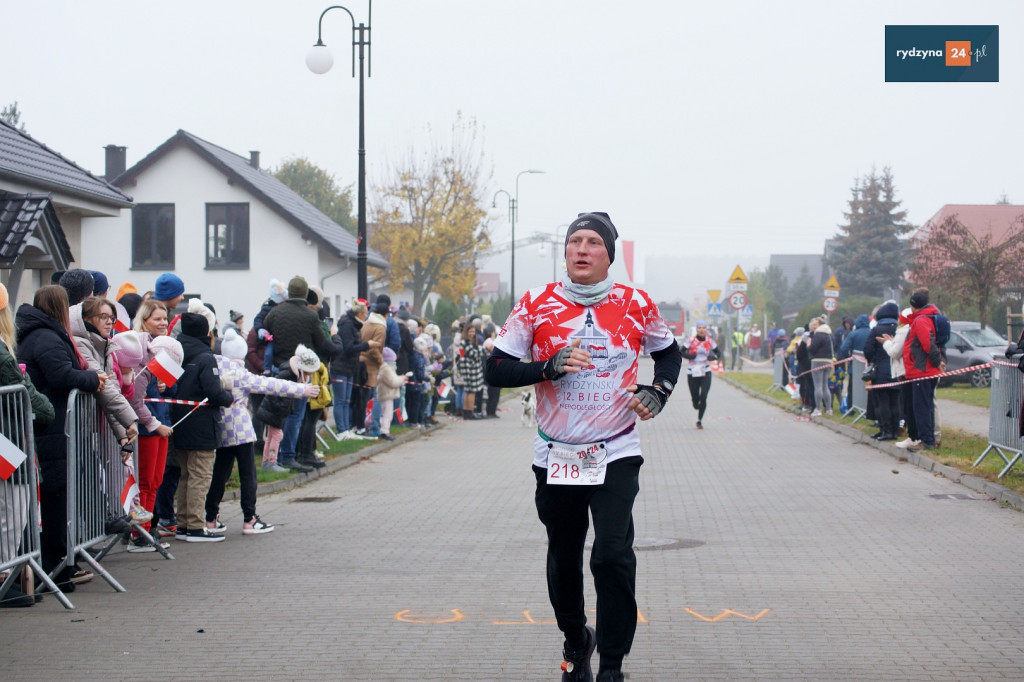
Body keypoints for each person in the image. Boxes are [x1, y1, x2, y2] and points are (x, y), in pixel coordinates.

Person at [484, 212, 681, 682]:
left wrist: (660, 391)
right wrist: (546, 367)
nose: (582, 249)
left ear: (608, 254)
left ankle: (612, 664)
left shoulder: (635, 303)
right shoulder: (536, 304)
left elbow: (669, 352)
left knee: (611, 554)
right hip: (557, 454)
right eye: (575, 241)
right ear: (566, 252)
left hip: (615, 449)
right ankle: (577, 641)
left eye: (593, 242)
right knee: (564, 557)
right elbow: (496, 369)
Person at [16, 285, 102, 590]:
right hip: (50, 430)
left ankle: (60, 564)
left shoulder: (41, 334)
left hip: (52, 429)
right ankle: (56, 568)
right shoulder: (46, 338)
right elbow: (62, 375)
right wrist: (93, 379)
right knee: (54, 499)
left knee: (56, 499)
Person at [205, 329, 318, 535]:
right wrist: (302, 390)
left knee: (220, 473)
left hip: (221, 428)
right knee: (248, 475)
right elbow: (271, 385)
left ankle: (210, 518)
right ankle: (250, 519)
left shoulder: (215, 368)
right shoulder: (241, 374)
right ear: (241, 354)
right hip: (240, 430)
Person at [0, 282, 54, 608]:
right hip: (8, 441)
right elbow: (36, 403)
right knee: (13, 513)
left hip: (10, 440)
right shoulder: (4, 354)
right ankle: (4, 576)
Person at [169, 312, 234, 542]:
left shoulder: (176, 353)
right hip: (202, 425)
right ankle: (196, 527)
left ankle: (185, 523)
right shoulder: (206, 357)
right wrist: (228, 397)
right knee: (200, 475)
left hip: (180, 423)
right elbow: (212, 391)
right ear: (206, 332)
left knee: (186, 475)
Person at [263, 276, 330, 469]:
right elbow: (321, 342)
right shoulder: (310, 316)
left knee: (277, 416)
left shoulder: (275, 312)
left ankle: (273, 457)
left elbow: (266, 331)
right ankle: (288, 456)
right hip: (300, 372)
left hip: (278, 368)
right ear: (305, 294)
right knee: (295, 416)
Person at [902, 289, 945, 452]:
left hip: (922, 370)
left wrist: (937, 362)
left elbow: (927, 343)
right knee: (925, 406)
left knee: (922, 407)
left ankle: (926, 440)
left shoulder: (921, 321)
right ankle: (927, 439)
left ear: (913, 306)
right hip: (924, 370)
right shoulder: (927, 317)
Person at [330, 299, 375, 438]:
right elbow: (348, 347)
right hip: (341, 367)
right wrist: (366, 345)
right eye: (365, 313)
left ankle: (346, 429)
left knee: (347, 401)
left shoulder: (355, 325)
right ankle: (341, 430)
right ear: (360, 313)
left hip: (350, 367)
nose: (366, 316)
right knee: (340, 400)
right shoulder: (347, 326)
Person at [863, 301, 900, 441]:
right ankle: (895, 431)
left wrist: (874, 361)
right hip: (897, 371)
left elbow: (867, 349)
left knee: (881, 402)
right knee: (895, 402)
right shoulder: (899, 329)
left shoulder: (877, 330)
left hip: (881, 371)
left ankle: (885, 430)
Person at [680, 320, 719, 429]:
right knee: (696, 399)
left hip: (705, 371)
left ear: (706, 330)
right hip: (692, 372)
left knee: (704, 397)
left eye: (704, 328)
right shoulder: (691, 340)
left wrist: (713, 357)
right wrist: (689, 356)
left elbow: (718, 353)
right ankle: (695, 403)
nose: (702, 330)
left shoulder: (709, 341)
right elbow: (681, 351)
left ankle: (699, 421)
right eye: (699, 328)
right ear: (697, 330)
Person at [359, 301, 387, 437]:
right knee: (378, 397)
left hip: (361, 362)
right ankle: (375, 426)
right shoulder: (380, 328)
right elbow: (375, 347)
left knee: (363, 396)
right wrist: (382, 362)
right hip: (372, 365)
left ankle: (360, 425)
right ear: (386, 315)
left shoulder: (366, 323)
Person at [807, 315, 835, 416]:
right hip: (828, 360)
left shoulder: (818, 335)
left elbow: (812, 348)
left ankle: (818, 409)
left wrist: (808, 344)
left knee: (817, 385)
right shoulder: (829, 334)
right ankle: (828, 409)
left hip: (817, 360)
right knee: (825, 385)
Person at [376, 347, 405, 441]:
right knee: (387, 414)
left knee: (388, 413)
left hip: (387, 394)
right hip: (386, 394)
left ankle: (385, 430)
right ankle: (384, 431)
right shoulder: (386, 369)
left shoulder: (387, 369)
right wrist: (402, 379)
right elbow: (393, 382)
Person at [455, 323, 484, 420]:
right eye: (470, 331)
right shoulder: (466, 342)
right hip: (470, 369)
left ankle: (466, 412)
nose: (472, 333)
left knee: (468, 391)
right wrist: (486, 350)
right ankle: (469, 412)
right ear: (466, 332)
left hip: (467, 368)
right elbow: (472, 354)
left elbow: (462, 354)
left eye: (473, 331)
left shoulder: (467, 342)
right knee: (471, 391)